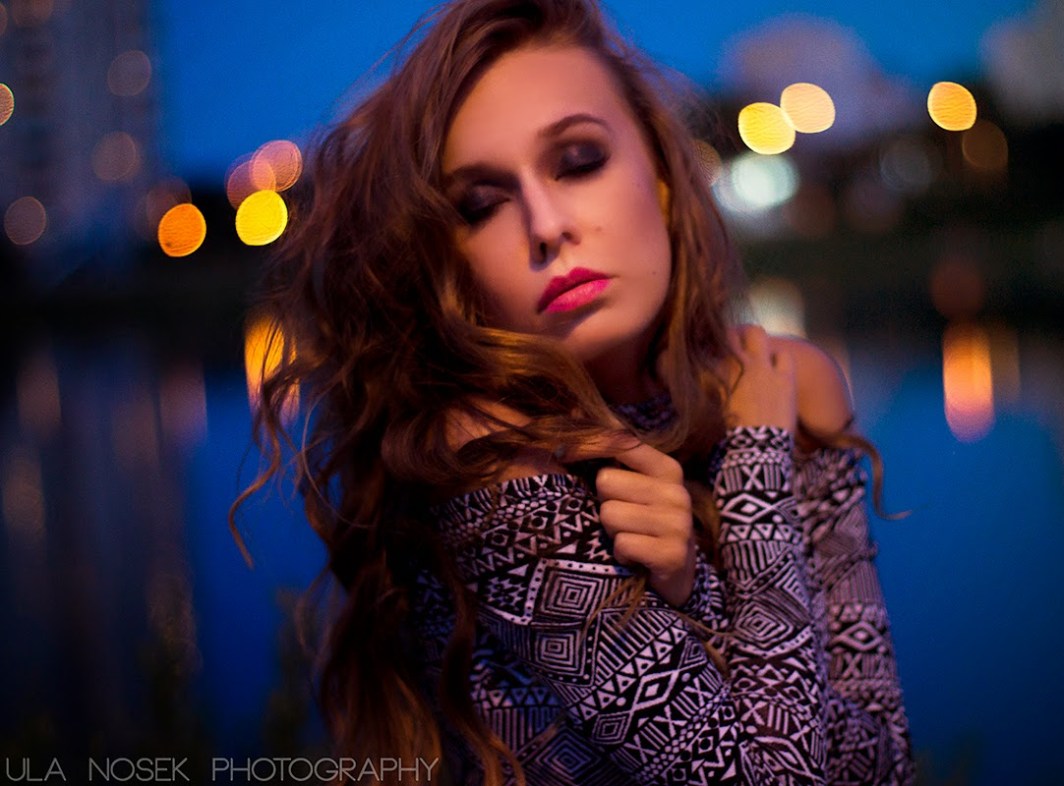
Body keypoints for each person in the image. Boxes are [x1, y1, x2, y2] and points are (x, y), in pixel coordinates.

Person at [239, 0, 915, 783]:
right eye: (481, 204)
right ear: (448, 262)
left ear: (663, 178)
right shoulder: (489, 460)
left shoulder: (794, 385)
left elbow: (886, 761)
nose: (546, 224)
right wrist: (755, 471)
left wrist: (693, 587)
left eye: (579, 160)